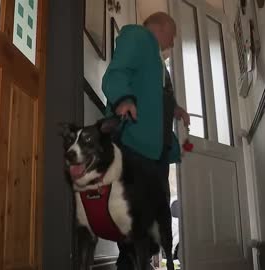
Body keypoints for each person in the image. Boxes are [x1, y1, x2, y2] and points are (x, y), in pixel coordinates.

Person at [101, 11, 190, 269]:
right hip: (135, 142)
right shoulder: (138, 37)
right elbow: (116, 73)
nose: (172, 44)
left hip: (155, 149)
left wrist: (176, 110)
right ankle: (130, 262)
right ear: (161, 28)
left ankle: (138, 261)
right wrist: (123, 98)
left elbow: (158, 95)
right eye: (171, 37)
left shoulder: (158, 65)